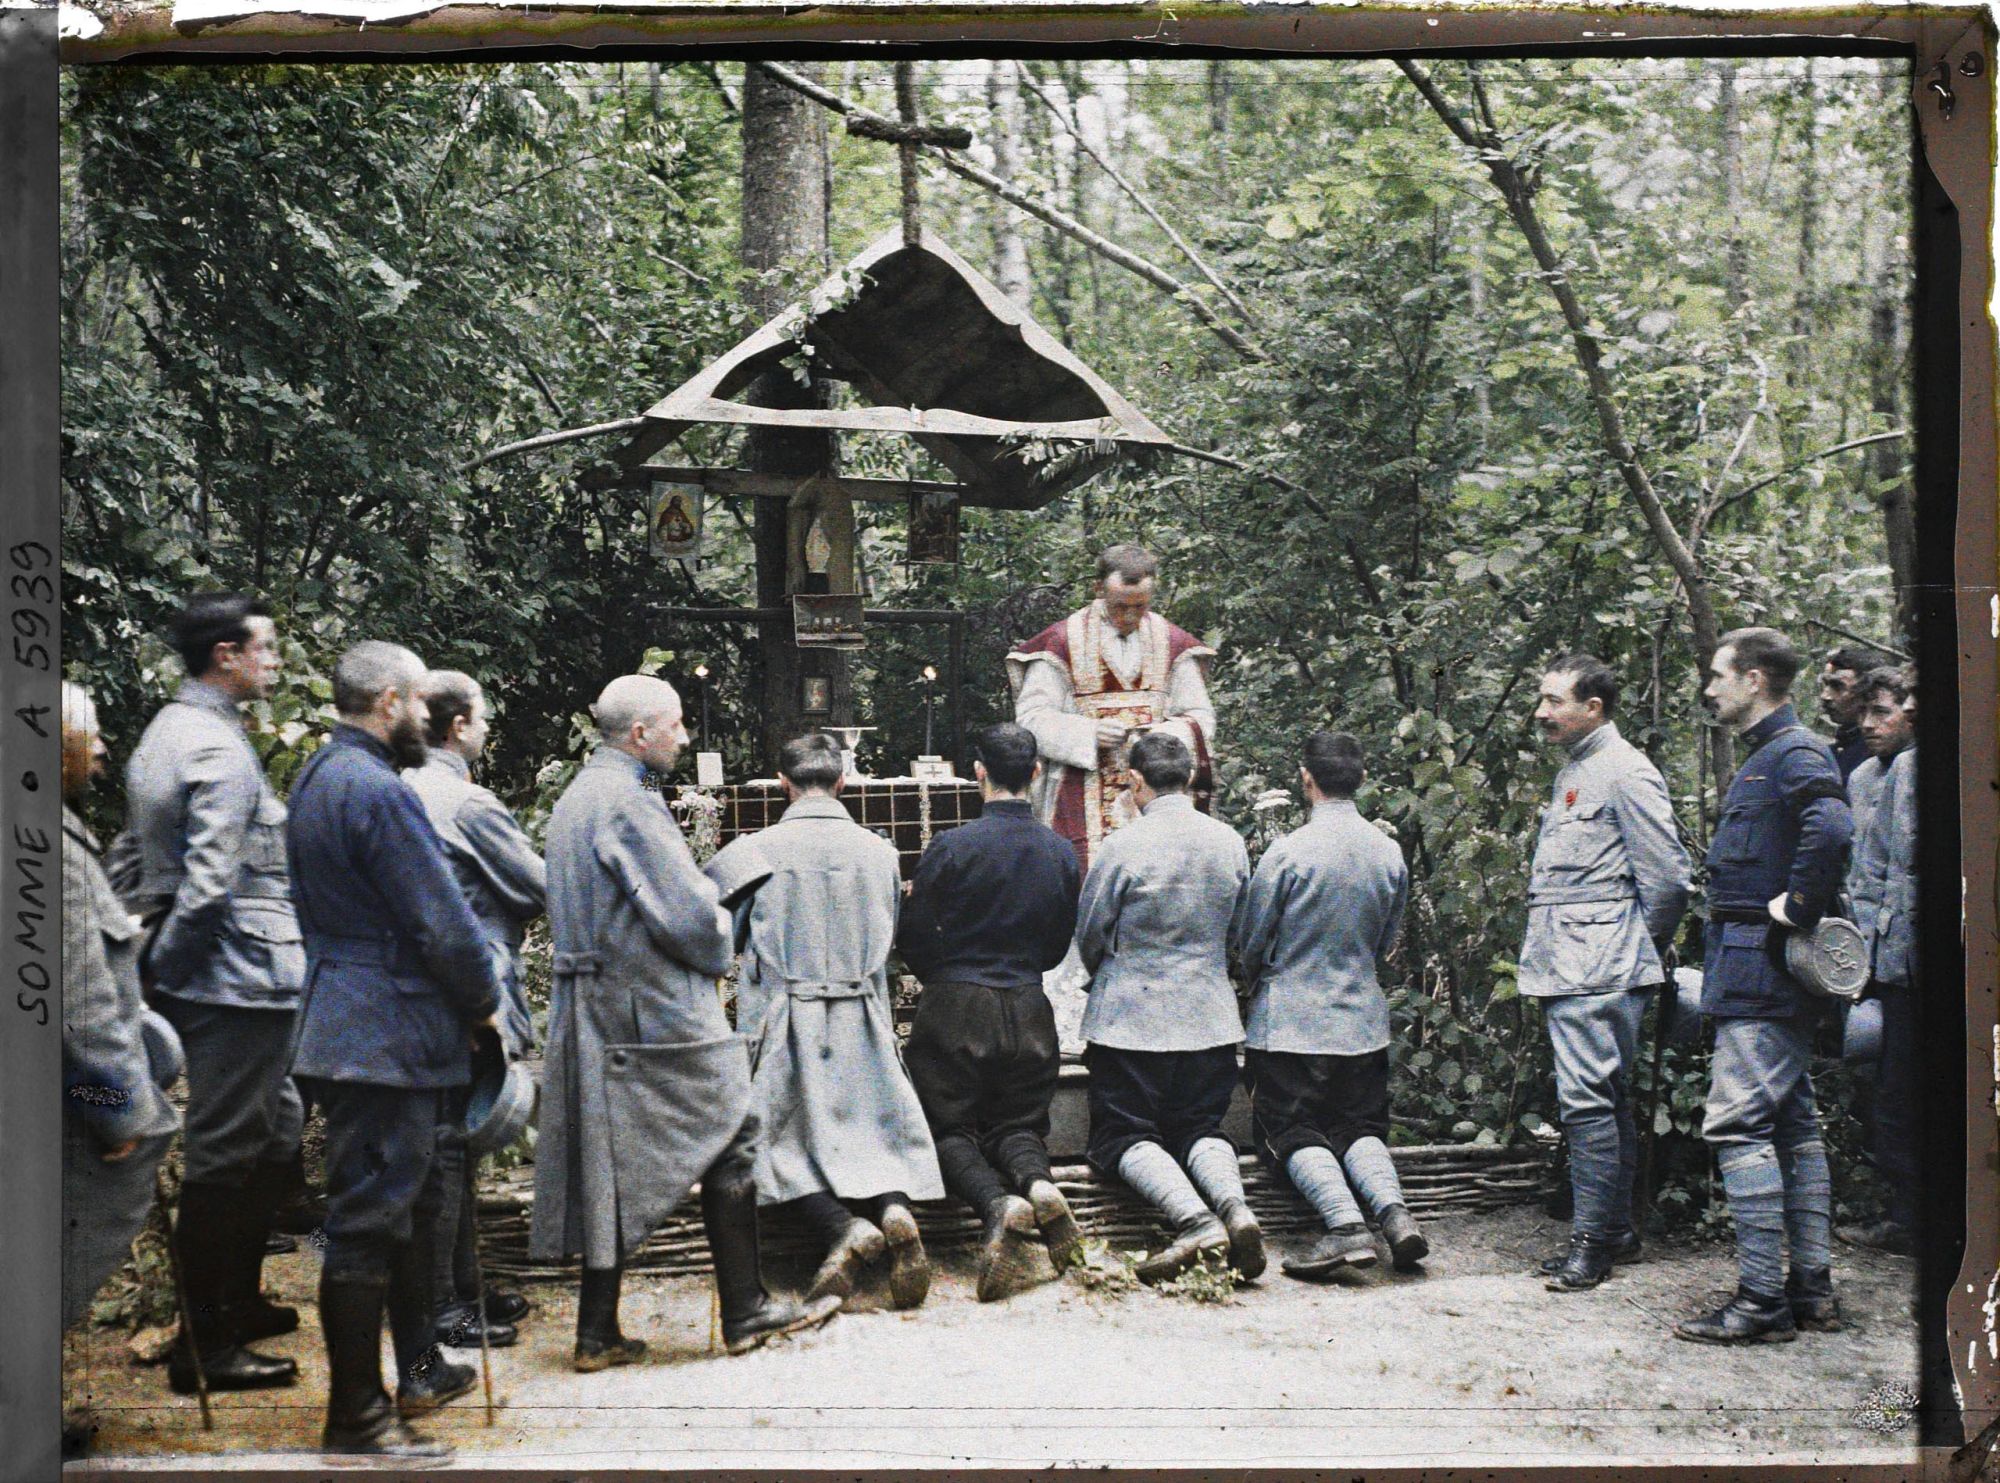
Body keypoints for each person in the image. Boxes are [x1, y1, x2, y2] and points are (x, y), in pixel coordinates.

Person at [531, 677, 836, 1368]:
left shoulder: (581, 795)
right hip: (653, 1004)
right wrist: (723, 905)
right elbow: (692, 920)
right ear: (640, 734)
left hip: (596, 1002)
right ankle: (748, 1310)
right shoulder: (629, 802)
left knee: (607, 1157)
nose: (685, 737)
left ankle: (595, 1331)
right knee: (732, 1131)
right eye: (674, 726)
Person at [287, 641, 504, 1461]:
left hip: (351, 1018)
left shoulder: (317, 774)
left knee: (405, 1205)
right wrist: (485, 1006)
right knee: (370, 1219)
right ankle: (356, 1419)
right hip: (386, 1030)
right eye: (418, 702)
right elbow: (441, 919)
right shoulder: (380, 791)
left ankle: (419, 1368)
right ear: (388, 702)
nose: (426, 716)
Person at [123, 593, 306, 1395]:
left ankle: (238, 1299)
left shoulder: (173, 732)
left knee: (280, 1125)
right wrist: (172, 971)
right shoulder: (216, 749)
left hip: (218, 969)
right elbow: (205, 887)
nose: (275, 661)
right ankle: (207, 1343)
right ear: (225, 655)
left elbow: (136, 860)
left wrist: (156, 964)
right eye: (264, 647)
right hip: (236, 977)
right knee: (228, 1148)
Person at [707, 733, 945, 1311]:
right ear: (842, 783)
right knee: (874, 1129)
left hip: (789, 1016)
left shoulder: (752, 851)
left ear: (783, 784)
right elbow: (888, 936)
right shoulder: (880, 852)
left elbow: (719, 946)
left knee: (768, 1140)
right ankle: (892, 1211)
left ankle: (841, 1228)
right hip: (862, 1010)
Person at [1676, 627, 1853, 1345]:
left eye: (1718, 675)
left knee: (1737, 1122)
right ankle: (1810, 1291)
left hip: (1763, 967)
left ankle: (1761, 1301)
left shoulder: (1794, 752)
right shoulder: (1767, 758)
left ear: (1753, 680)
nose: (1709, 688)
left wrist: (1799, 905)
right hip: (1753, 965)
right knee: (1791, 1123)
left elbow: (1834, 827)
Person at [1518, 654, 1692, 1292]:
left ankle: (1590, 1245)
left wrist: (1629, 950)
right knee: (1604, 1101)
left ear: (1594, 707)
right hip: (1573, 963)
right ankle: (1614, 1230)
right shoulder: (1580, 769)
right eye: (1542, 699)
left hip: (1598, 966)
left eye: (1554, 700)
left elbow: (1669, 879)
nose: (1541, 712)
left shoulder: (1624, 771)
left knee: (1586, 1102)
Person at [898, 722, 1084, 1301]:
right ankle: (1037, 1182)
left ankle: (998, 1205)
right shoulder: (1060, 852)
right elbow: (1059, 942)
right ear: (1035, 773)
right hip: (1030, 1003)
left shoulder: (951, 847)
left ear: (978, 771)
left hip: (955, 1001)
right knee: (1020, 1124)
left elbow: (912, 933)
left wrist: (944, 979)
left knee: (946, 1125)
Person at [1008, 544, 1219, 1049]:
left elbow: (1202, 719)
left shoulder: (1172, 643)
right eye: (1121, 604)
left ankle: (1162, 1024)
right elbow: (1030, 720)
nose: (1130, 616)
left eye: (1140, 606)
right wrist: (1085, 734)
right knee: (1081, 898)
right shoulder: (1059, 643)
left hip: (1158, 796)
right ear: (1098, 589)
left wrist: (1162, 736)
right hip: (1079, 794)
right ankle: (1072, 1033)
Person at [1234, 732, 1425, 1280]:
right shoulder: (1388, 852)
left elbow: (1253, 941)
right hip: (1362, 1018)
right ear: (1361, 779)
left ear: (1306, 779)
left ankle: (1344, 1227)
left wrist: (1262, 981)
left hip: (1290, 1021)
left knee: (1290, 1128)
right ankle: (1395, 1216)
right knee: (1360, 1125)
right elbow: (1387, 938)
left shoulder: (1287, 853)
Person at [1074, 731, 1259, 1285]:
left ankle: (1195, 1220)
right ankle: (1236, 1207)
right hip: (1209, 1015)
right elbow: (1243, 931)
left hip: (1132, 1019)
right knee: (1201, 1124)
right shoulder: (1228, 842)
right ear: (1191, 780)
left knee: (1124, 1132)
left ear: (1134, 781)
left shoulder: (1122, 846)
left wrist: (1115, 972)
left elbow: (1090, 932)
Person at [403, 670, 545, 1349]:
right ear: (458, 725)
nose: (486, 730)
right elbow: (540, 884)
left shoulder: (401, 788)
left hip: (414, 989)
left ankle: (461, 1289)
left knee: (443, 1143)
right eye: (483, 717)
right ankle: (445, 1304)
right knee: (450, 1150)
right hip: (468, 987)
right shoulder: (465, 800)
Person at [61, 683, 183, 1336]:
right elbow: (79, 1002)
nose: (103, 746)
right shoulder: (53, 852)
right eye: (92, 732)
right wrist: (119, 1113)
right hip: (73, 1105)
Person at [1837, 666, 1919, 1255]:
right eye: (1863, 711)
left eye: (1883, 711)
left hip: (1908, 957)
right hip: (1876, 954)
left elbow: (1904, 875)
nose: (1870, 724)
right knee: (1884, 1077)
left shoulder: (1919, 769)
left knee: (1905, 1083)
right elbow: (1862, 871)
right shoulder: (1864, 776)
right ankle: (1901, 1207)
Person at [1817, 646, 1884, 782]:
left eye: (1837, 686)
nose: (1825, 696)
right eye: (1825, 684)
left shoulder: (1879, 749)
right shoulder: (1837, 747)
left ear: (1866, 691)